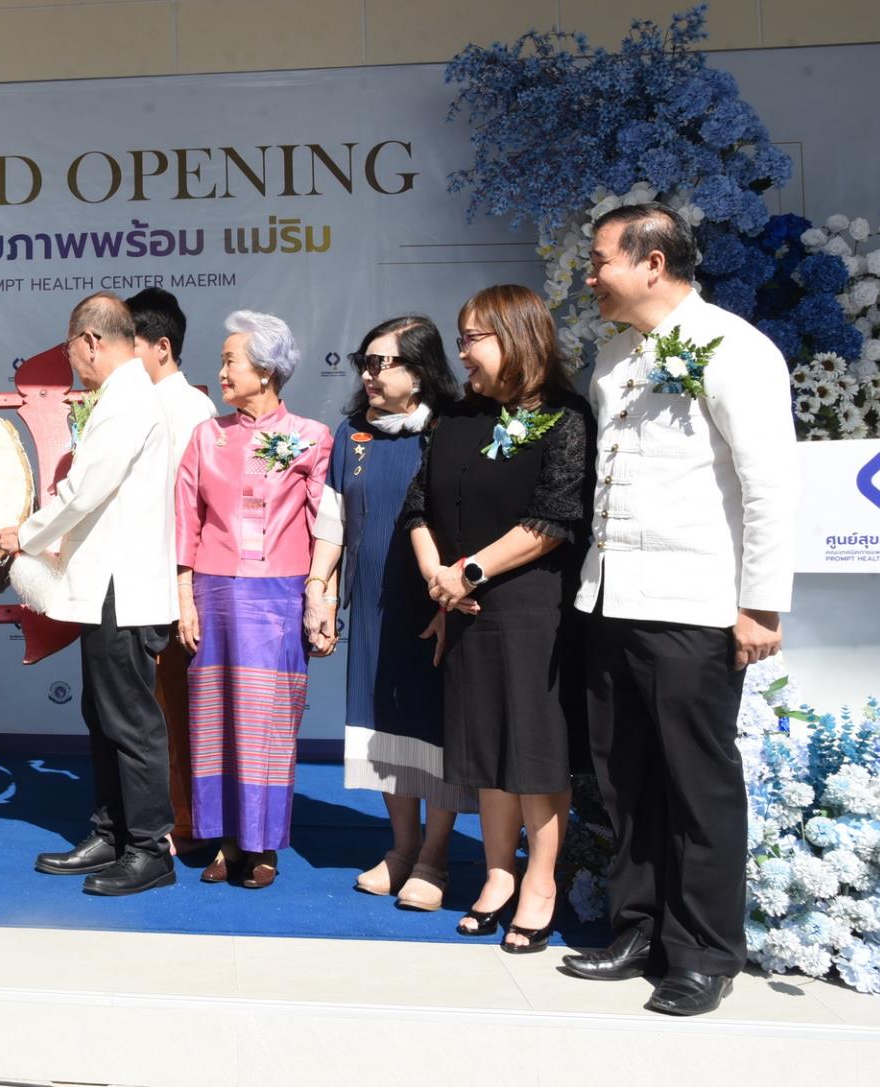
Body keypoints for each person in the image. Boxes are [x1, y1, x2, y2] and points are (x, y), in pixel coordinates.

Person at [561, 202, 796, 1017]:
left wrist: (761, 604)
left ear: (652, 262)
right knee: (624, 776)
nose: (590, 277)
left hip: (694, 603)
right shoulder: (613, 355)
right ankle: (637, 928)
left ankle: (702, 953)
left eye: (600, 261)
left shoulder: (736, 346)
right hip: (610, 595)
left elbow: (769, 482)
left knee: (697, 785)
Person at [401, 284, 591, 952]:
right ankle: (497, 873)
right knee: (484, 748)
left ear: (517, 336)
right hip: (462, 605)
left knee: (533, 750)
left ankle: (540, 881)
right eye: (460, 337)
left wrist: (469, 571)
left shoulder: (565, 416)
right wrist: (438, 577)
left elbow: (554, 519)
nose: (462, 352)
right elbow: (418, 505)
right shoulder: (455, 416)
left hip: (531, 608)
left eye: (473, 338)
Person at [0, 293, 179, 896]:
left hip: (123, 587)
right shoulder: (122, 396)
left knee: (129, 720)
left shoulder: (128, 399)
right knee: (103, 715)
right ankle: (112, 834)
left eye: (71, 349)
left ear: (91, 341)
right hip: (106, 583)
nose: (73, 362)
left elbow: (85, 489)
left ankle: (149, 848)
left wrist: (26, 534)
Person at [307, 315, 475, 911]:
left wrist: (452, 599)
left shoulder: (451, 428)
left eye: (383, 363)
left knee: (435, 726)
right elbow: (333, 520)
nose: (369, 375)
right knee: (385, 725)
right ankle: (402, 848)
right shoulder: (353, 432)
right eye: (365, 362)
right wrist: (320, 587)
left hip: (436, 605)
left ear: (421, 371)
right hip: (374, 604)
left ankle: (435, 856)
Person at [173, 311, 333, 889]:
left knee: (268, 722)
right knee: (213, 720)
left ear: (265, 371)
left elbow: (327, 528)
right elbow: (185, 519)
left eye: (230, 361)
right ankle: (223, 839)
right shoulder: (205, 436)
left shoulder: (312, 436)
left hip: (279, 596)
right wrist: (185, 596)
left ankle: (263, 845)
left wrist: (323, 599)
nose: (221, 372)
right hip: (212, 592)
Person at [125, 287, 216, 852]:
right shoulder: (137, 404)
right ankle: (162, 814)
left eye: (128, 345)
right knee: (151, 709)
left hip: (175, 584)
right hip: (141, 578)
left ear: (162, 347)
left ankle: (187, 822)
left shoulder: (190, 411)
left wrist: (183, 589)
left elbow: (192, 509)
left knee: (178, 709)